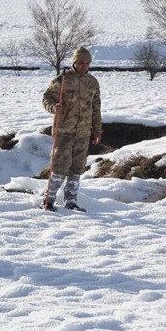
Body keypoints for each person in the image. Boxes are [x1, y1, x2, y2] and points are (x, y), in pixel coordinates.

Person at [41, 46, 102, 211]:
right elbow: (46, 98)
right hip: (64, 132)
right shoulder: (62, 80)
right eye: (81, 62)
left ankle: (71, 202)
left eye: (87, 63)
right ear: (75, 62)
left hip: (83, 133)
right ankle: (48, 200)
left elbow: (96, 107)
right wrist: (54, 107)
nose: (84, 66)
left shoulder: (92, 82)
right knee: (59, 167)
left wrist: (97, 131)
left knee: (76, 169)